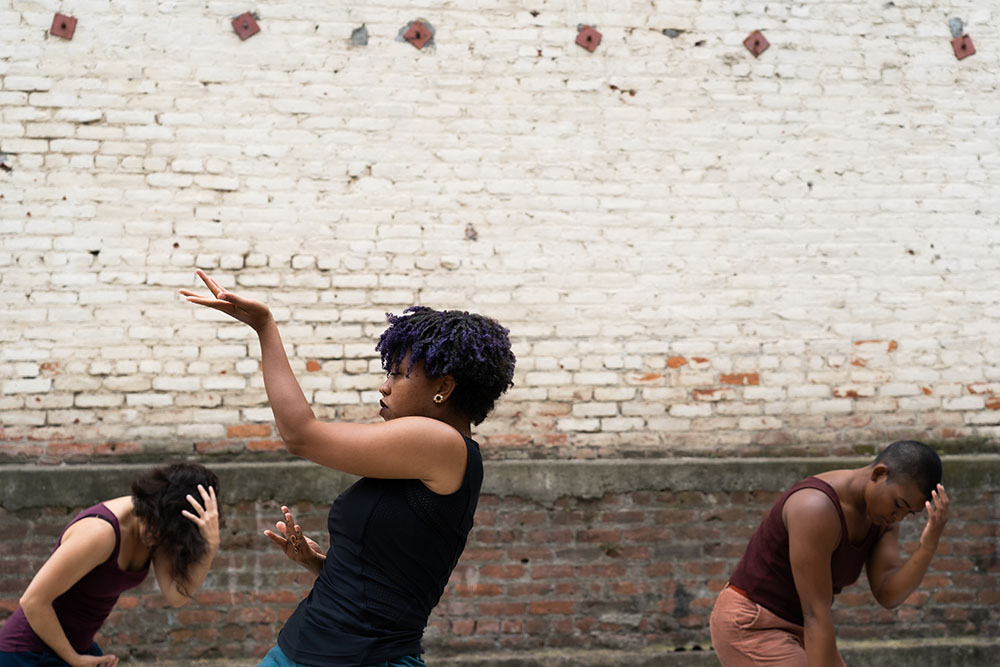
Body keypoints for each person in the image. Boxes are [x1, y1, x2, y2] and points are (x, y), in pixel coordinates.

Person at [180, 270, 516, 667]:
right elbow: (390, 585)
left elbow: (301, 435)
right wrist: (317, 563)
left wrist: (265, 327)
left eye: (396, 373)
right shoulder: (428, 455)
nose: (384, 386)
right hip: (302, 647)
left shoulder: (440, 443)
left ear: (443, 387)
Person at [709, 440, 949, 666]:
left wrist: (928, 545)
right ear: (878, 474)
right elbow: (815, 612)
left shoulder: (882, 521)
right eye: (898, 505)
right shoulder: (815, 507)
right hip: (753, 623)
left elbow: (888, 594)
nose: (898, 517)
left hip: (802, 625)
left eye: (909, 513)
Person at [0, 463, 221, 667]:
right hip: (27, 653)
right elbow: (32, 601)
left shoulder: (160, 528)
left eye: (166, 538)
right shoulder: (100, 533)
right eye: (157, 532)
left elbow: (177, 596)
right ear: (154, 505)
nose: (156, 542)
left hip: (75, 650)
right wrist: (74, 659)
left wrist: (210, 547)